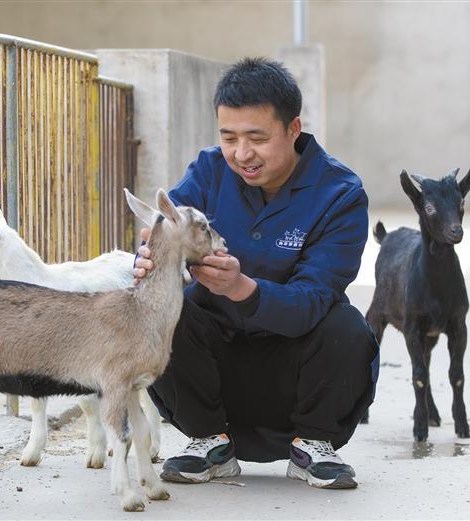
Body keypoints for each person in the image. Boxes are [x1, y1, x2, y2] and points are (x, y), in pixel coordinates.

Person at [133, 57, 379, 490]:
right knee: (161, 311)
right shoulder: (209, 171)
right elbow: (163, 229)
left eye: (257, 138)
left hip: (296, 370)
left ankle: (313, 444)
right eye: (229, 137)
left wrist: (243, 288)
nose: (241, 154)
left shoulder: (340, 193)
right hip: (214, 371)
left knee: (347, 327)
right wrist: (150, 257)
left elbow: (313, 299)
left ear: (293, 129)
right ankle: (209, 440)